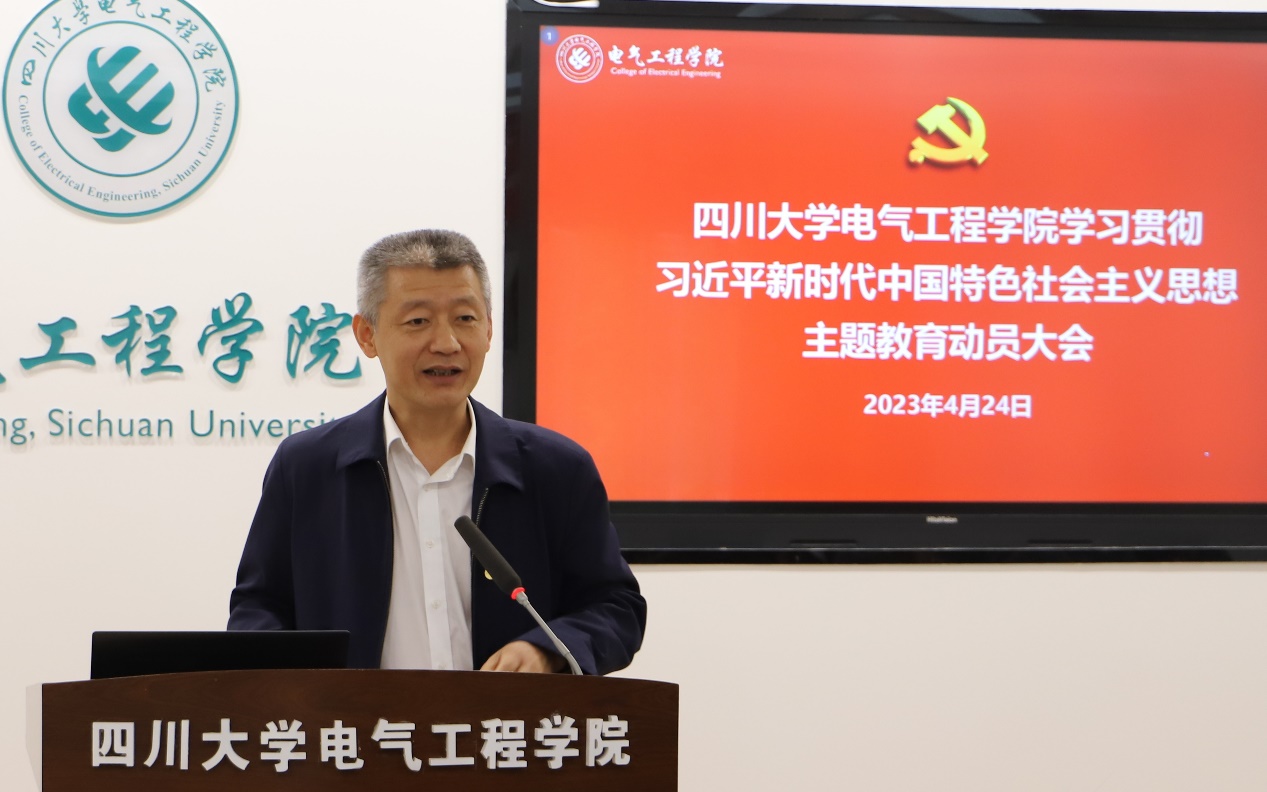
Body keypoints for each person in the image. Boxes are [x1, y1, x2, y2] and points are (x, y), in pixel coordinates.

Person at [228, 229, 645, 674]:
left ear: (489, 328)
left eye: (465, 318)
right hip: (354, 719)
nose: (447, 343)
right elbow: (259, 610)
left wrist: (547, 649)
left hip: (505, 719)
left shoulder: (556, 468)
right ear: (367, 335)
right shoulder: (307, 467)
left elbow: (615, 608)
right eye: (418, 321)